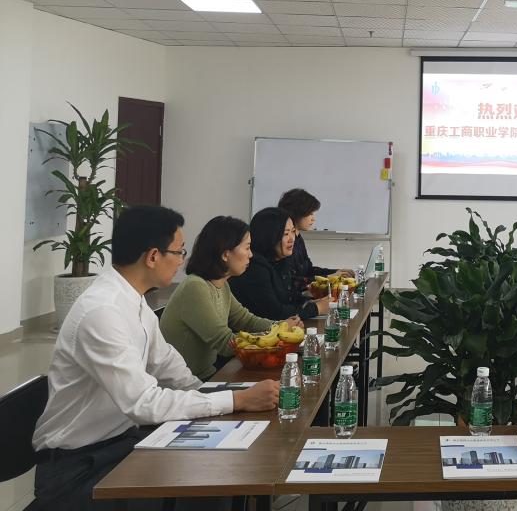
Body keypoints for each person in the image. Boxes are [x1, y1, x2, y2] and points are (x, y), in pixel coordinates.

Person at [32, 205, 280, 511]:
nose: (182, 261)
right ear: (152, 256)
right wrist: (235, 400)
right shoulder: (102, 312)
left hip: (120, 443)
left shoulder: (133, 301)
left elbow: (170, 367)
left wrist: (220, 401)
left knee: (222, 468)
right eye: (178, 252)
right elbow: (143, 402)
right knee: (207, 488)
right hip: (78, 468)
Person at [160, 215, 302, 379]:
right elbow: (226, 343)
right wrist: (276, 337)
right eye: (247, 248)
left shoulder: (222, 285)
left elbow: (246, 320)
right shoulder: (195, 286)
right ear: (226, 254)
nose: (251, 255)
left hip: (206, 375)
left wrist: (281, 326)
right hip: (185, 384)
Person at [230, 207, 328, 321]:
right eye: (285, 234)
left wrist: (311, 302)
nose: (292, 239)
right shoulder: (254, 267)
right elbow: (275, 314)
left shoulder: (282, 259)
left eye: (293, 232)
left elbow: (289, 297)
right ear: (268, 236)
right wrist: (316, 308)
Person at [277, 188, 352, 301]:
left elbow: (309, 270)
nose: (313, 219)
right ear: (297, 214)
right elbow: (292, 282)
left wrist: (337, 272)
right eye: (310, 214)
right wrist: (328, 277)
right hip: (295, 300)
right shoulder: (284, 244)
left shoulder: (298, 238)